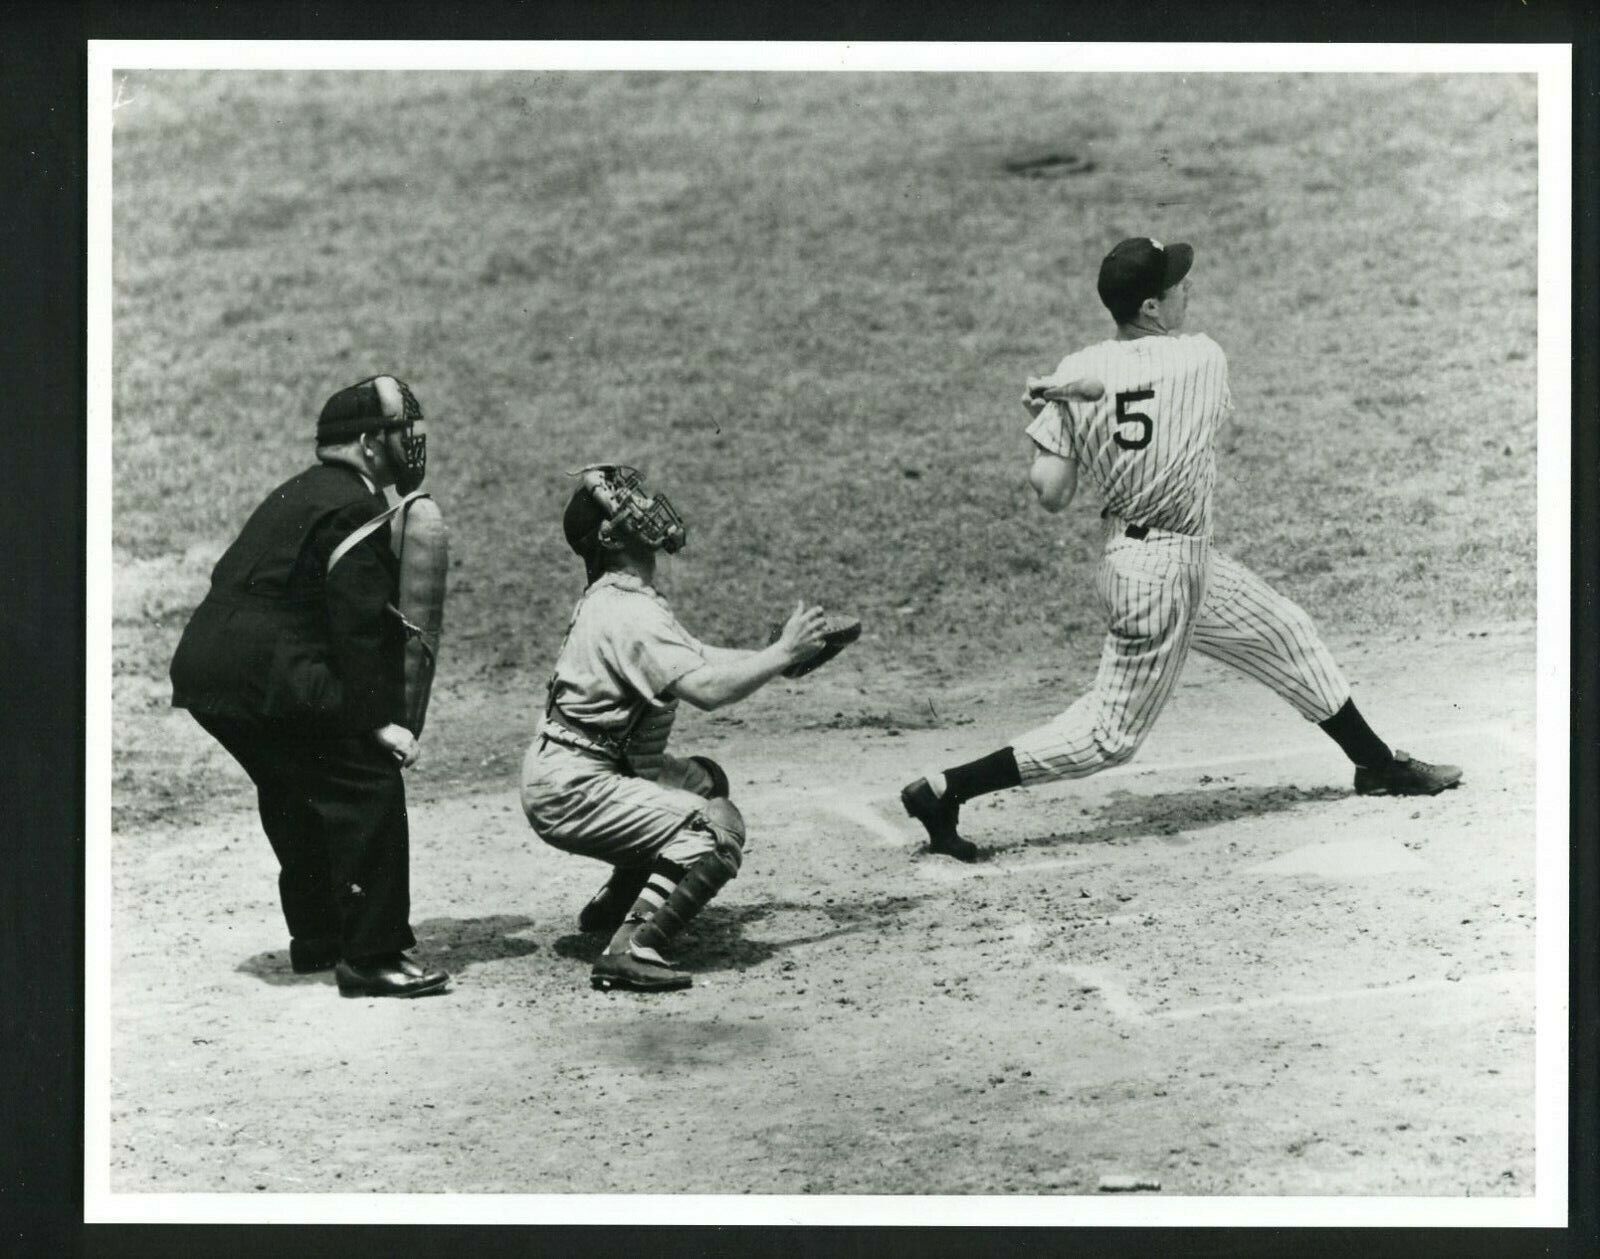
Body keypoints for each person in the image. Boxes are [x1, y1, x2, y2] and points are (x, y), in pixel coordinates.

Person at [901, 237, 1462, 862]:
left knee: (1285, 632)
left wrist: (1043, 415)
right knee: (1108, 737)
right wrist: (1075, 388)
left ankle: (1377, 765)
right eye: (1176, 286)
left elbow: (1053, 493)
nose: (1187, 289)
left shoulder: (1070, 371)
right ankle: (947, 790)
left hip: (1166, 562)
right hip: (1158, 578)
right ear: (1149, 307)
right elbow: (1147, 381)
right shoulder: (1202, 358)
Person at [169, 374, 449, 997]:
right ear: (370, 442)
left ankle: (320, 936)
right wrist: (380, 722)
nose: (410, 444)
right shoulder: (356, 503)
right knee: (366, 778)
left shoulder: (301, 491)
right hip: (267, 671)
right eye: (403, 433)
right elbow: (359, 623)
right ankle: (373, 956)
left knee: (294, 784)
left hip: (208, 671)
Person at [520, 464, 831, 993]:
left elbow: (700, 658)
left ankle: (617, 906)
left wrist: (779, 661)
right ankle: (631, 948)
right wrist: (780, 652)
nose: (642, 506)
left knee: (704, 782)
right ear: (611, 535)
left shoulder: (622, 596)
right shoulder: (627, 611)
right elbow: (708, 689)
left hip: (582, 767)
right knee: (717, 828)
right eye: (626, 502)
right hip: (575, 787)